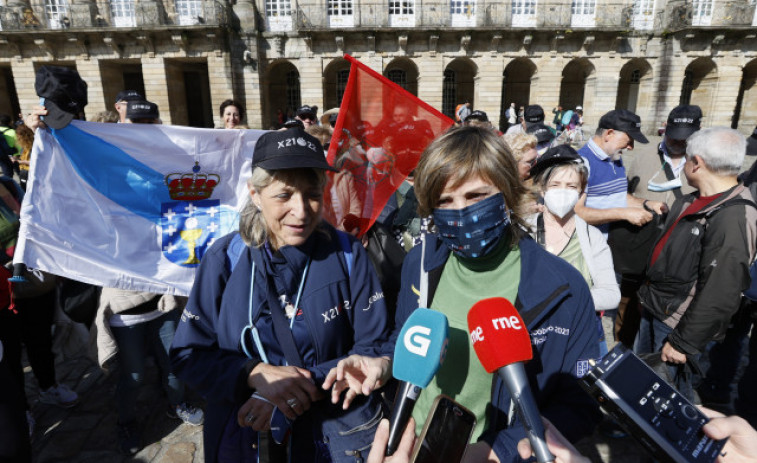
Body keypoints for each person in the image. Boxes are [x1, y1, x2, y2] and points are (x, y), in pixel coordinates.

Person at [331, 126, 602, 462]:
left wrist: (497, 450)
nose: (460, 211)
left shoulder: (562, 286)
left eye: (475, 196)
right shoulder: (420, 261)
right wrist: (383, 364)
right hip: (419, 448)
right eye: (444, 200)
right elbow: (406, 336)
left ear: (507, 191)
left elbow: (581, 403)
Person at [170, 128, 392, 463]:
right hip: (246, 436)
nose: (301, 211)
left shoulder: (347, 254)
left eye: (312, 193)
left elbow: (372, 345)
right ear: (255, 194)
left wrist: (280, 394)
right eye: (284, 195)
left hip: (335, 437)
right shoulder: (225, 258)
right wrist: (253, 373)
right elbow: (188, 353)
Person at [93, 100, 204, 455]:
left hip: (164, 295)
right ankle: (126, 421)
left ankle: (177, 403)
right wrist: (45, 133)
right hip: (126, 303)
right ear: (123, 122)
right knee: (135, 375)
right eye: (136, 121)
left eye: (149, 122)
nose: (143, 128)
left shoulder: (166, 170)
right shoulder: (111, 172)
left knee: (174, 367)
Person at [634, 127, 757, 402]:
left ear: (697, 163)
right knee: (643, 385)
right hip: (657, 308)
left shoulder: (733, 215)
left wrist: (684, 343)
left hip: (678, 323)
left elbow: (722, 288)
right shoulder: (690, 199)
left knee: (669, 401)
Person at [574, 109, 666, 351]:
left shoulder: (614, 157)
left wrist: (645, 203)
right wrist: (624, 213)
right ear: (610, 133)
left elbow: (619, 196)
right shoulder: (581, 163)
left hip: (610, 246)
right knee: (586, 306)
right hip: (587, 251)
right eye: (629, 139)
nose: (631, 146)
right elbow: (577, 212)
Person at [616, 105, 701, 348]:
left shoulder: (702, 162)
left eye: (684, 138)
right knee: (628, 303)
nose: (677, 141)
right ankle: (623, 351)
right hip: (639, 246)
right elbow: (626, 194)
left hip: (677, 253)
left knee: (661, 311)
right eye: (673, 134)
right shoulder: (644, 157)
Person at [527, 145, 621, 354]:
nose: (563, 191)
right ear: (542, 188)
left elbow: (611, 295)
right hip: (533, 339)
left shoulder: (592, 237)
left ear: (581, 190)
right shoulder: (523, 231)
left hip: (579, 338)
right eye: (555, 184)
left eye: (571, 186)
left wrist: (553, 298)